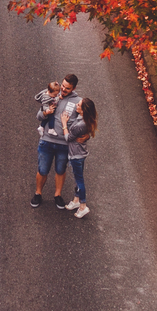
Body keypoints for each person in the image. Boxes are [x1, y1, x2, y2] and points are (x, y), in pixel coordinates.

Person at [32, 74, 80, 208]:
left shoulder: (77, 101)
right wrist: (46, 113)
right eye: (63, 86)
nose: (63, 90)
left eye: (67, 88)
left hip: (64, 144)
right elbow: (39, 115)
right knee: (42, 169)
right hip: (47, 140)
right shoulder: (52, 94)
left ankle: (57, 195)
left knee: (60, 169)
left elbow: (81, 121)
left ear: (74, 88)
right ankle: (38, 193)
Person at [61, 97, 98, 218]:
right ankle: (76, 200)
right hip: (81, 153)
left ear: (83, 110)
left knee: (79, 180)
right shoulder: (85, 120)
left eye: (79, 105)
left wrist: (64, 124)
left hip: (76, 155)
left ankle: (83, 205)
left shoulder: (80, 125)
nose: (76, 105)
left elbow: (68, 138)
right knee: (78, 178)